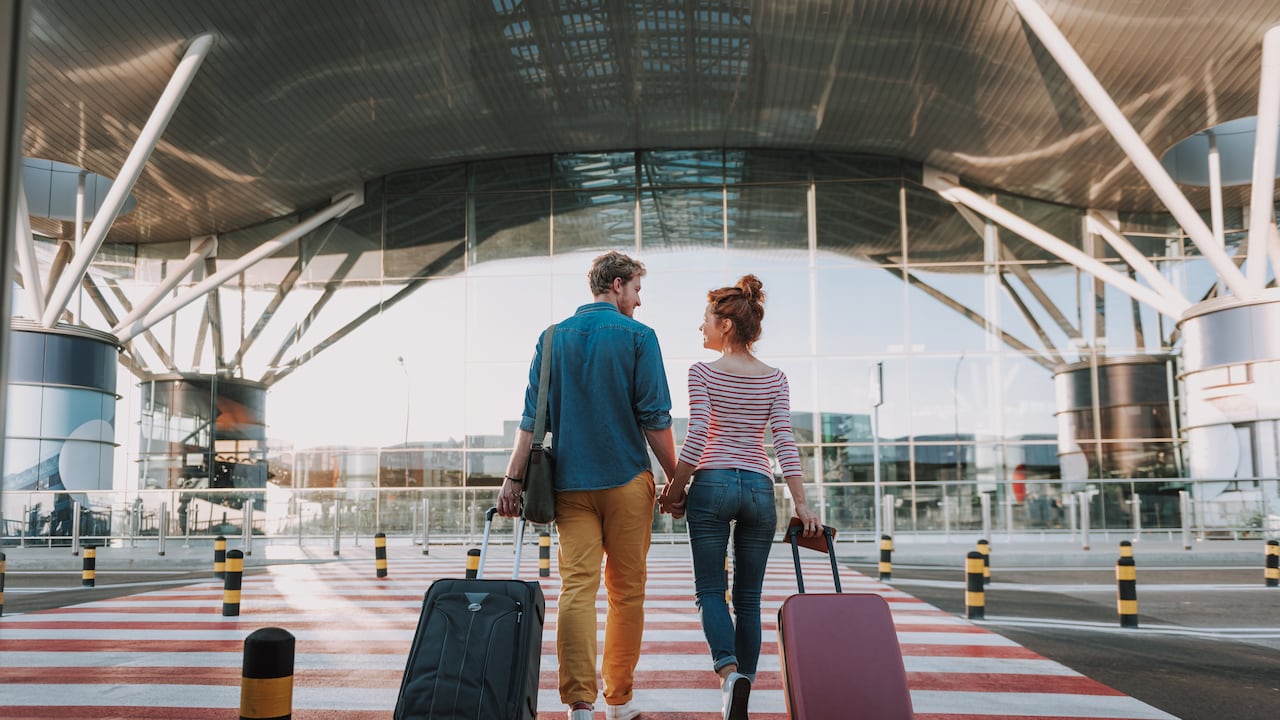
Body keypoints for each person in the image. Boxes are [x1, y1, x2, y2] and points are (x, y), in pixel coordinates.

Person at [497, 251, 677, 720]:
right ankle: (619, 701)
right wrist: (677, 479)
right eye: (637, 289)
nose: (638, 301)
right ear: (617, 285)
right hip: (626, 483)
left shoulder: (552, 337)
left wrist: (512, 479)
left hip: (569, 487)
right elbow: (655, 418)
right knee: (626, 593)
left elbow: (532, 420)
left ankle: (580, 704)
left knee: (577, 589)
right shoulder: (639, 337)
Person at [658, 274, 820, 720]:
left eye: (706, 320)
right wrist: (801, 503)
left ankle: (730, 676)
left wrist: (674, 492)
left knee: (711, 591)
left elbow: (693, 442)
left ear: (726, 325)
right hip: (758, 488)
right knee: (749, 599)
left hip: (711, 485)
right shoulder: (776, 378)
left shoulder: (703, 372)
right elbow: (783, 441)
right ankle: (742, 687)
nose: (701, 328)